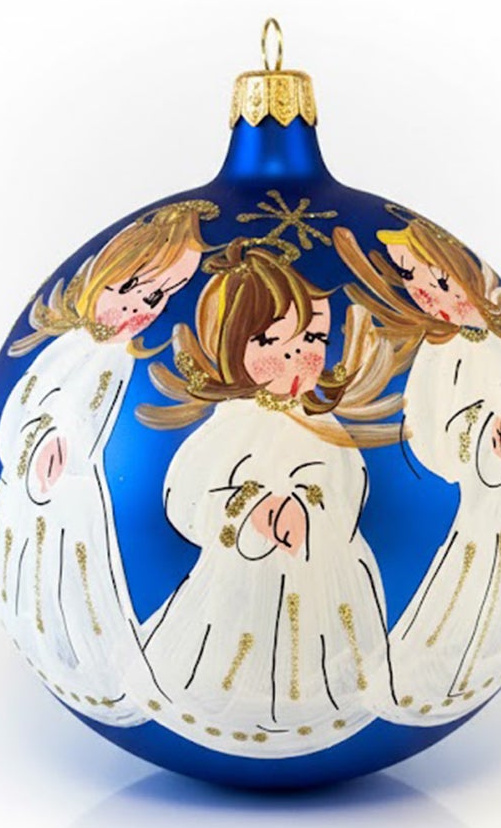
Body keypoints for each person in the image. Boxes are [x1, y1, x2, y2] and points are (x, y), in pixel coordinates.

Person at [136, 240, 399, 754]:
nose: (298, 356)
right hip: (243, 573)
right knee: (241, 643)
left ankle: (317, 707)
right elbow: (188, 497)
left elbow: (350, 487)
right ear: (233, 345)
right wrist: (250, 512)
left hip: (324, 571)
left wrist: (312, 509)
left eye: (314, 338)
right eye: (274, 341)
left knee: (321, 649)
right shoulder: (232, 423)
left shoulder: (323, 424)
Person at [0, 200, 215, 724]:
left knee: (80, 582)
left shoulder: (118, 355)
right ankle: (60, 653)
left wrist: (70, 449)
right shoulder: (69, 346)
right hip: (43, 489)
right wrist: (42, 442)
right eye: (131, 289)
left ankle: (89, 662)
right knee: (40, 571)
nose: (141, 309)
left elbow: (96, 423)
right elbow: (21, 408)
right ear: (103, 273)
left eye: (159, 297)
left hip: (77, 493)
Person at [336, 212, 501, 722]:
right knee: (477, 572)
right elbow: (427, 427)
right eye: (412, 281)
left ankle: (494, 650)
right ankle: (450, 665)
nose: (428, 295)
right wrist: (482, 437)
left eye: (439, 281)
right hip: (486, 492)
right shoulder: (441, 352)